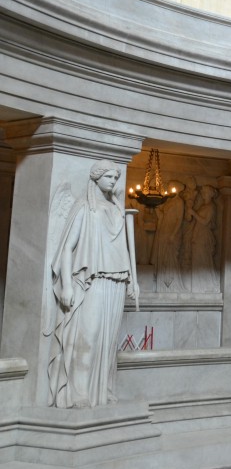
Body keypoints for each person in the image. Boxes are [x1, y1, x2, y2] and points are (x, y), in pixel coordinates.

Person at [48, 161, 140, 408]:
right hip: (93, 281)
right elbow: (67, 247)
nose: (113, 180)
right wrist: (67, 285)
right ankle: (78, 392)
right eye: (108, 176)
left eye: (115, 176)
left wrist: (132, 279)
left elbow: (124, 247)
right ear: (96, 178)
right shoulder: (85, 207)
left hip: (116, 281)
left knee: (107, 341)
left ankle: (102, 391)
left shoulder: (116, 208)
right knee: (87, 335)